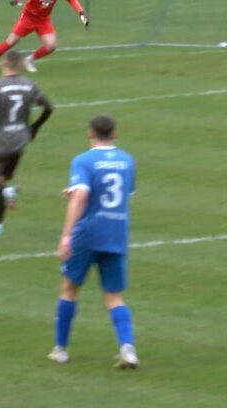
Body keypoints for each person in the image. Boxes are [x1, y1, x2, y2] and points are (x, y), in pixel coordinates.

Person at [50, 114, 139, 369]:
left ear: (90, 133)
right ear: (115, 133)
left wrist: (66, 236)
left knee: (69, 288)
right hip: (116, 233)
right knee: (113, 296)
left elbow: (81, 197)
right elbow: (123, 194)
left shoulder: (83, 161)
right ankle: (128, 348)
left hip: (87, 233)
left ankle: (61, 350)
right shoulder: (127, 161)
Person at [0, 50, 54, 236]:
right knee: (2, 180)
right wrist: (34, 127)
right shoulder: (30, 85)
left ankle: (9, 192)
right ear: (20, 64)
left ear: (4, 63)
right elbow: (49, 107)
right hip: (20, 141)